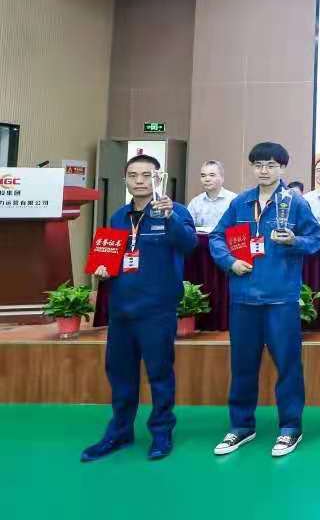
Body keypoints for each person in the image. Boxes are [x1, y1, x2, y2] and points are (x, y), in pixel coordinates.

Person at [209, 142, 320, 458]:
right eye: (259, 164)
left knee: (288, 366)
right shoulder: (240, 203)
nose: (264, 170)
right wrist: (230, 261)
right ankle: (241, 426)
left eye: (271, 165)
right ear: (252, 167)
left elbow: (316, 240)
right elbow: (217, 237)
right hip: (244, 298)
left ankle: (290, 427)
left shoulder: (295, 203)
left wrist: (294, 240)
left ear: (283, 168)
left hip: (280, 299)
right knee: (242, 366)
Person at [81, 154, 197, 463]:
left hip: (157, 309)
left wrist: (170, 219)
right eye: (133, 175)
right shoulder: (118, 216)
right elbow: (112, 256)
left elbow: (189, 245)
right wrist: (103, 269)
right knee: (120, 373)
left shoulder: (174, 212)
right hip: (122, 308)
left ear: (158, 179)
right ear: (126, 180)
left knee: (159, 373)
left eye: (147, 175)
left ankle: (161, 432)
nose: (140, 180)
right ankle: (120, 431)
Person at [188, 160, 237, 230]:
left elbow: (241, 228)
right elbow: (188, 229)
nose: (207, 179)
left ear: (222, 178)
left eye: (212, 175)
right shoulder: (195, 203)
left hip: (226, 237)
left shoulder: (234, 200)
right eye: (203, 176)